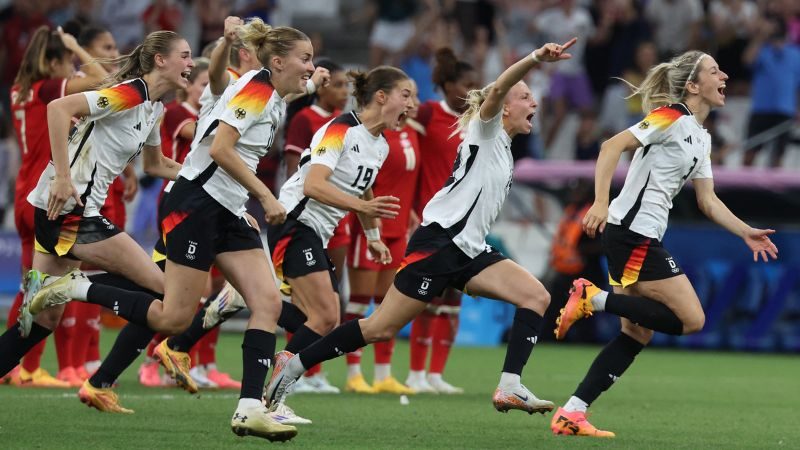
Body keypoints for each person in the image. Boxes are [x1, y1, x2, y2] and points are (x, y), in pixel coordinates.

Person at [26, 19, 323, 441]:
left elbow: (179, 155)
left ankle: (249, 408)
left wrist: (242, 200)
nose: (310, 67)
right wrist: (265, 196)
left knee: (267, 303)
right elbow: (220, 148)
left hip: (226, 208)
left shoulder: (271, 94)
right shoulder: (254, 88)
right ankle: (72, 289)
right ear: (277, 61)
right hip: (196, 208)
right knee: (173, 316)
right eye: (305, 59)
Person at [265, 40, 578, 419]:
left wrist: (373, 232)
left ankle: (510, 386)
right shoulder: (486, 129)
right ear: (504, 106)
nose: (534, 104)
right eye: (526, 97)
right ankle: (295, 365)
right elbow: (496, 90)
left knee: (536, 297)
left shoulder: (505, 148)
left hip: (470, 249)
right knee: (379, 327)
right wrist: (533, 60)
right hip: (440, 243)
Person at [551, 50, 779, 438]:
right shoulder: (670, 115)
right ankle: (593, 298)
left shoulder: (700, 136)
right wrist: (601, 203)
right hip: (633, 232)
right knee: (692, 320)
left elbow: (708, 201)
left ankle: (572, 413)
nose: (724, 75)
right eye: (714, 71)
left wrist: (744, 231)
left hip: (636, 234)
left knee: (637, 333)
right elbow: (610, 146)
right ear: (693, 85)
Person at [0, 29, 188, 408]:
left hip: (66, 210)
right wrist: (64, 177)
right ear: (160, 60)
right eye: (184, 56)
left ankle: (92, 360)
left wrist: (208, 178)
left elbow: (157, 164)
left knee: (42, 323)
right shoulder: (130, 92)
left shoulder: (154, 107)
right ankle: (77, 299)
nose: (190, 62)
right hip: (70, 208)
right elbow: (59, 109)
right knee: (163, 289)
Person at [265, 64, 412, 418]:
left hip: (315, 232)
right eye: (406, 95)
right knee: (326, 314)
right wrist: (363, 206)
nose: (413, 103)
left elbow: (364, 187)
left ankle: (251, 303)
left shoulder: (380, 145)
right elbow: (314, 185)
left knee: (320, 317)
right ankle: (270, 396)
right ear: (381, 96)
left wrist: (373, 235)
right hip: (294, 222)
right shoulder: (340, 129)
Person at [2, 25, 108, 388]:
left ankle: (20, 367)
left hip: (26, 190)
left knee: (31, 283)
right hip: (49, 193)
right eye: (64, 61)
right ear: (50, 61)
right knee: (56, 284)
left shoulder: (21, 90)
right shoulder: (50, 88)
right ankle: (29, 367)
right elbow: (103, 80)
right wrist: (77, 44)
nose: (71, 68)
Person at [405, 47, 478, 394]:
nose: (473, 91)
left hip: (466, 223)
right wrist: (409, 210)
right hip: (431, 220)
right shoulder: (428, 113)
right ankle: (415, 373)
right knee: (427, 298)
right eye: (467, 84)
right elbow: (408, 161)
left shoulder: (477, 123)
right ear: (448, 85)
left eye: (476, 84)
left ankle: (436, 374)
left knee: (453, 301)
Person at [342, 81, 421, 395]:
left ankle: (384, 373)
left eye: (414, 95)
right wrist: (369, 224)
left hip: (399, 228)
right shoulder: (370, 134)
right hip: (370, 225)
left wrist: (412, 211)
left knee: (390, 304)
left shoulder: (412, 132)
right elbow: (363, 182)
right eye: (406, 95)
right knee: (360, 301)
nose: (412, 102)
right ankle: (352, 372)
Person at [282, 58, 349, 394]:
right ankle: (296, 370)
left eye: (347, 86)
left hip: (336, 217)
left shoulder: (349, 127)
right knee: (306, 301)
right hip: (308, 212)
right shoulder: (306, 119)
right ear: (322, 87)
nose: (344, 91)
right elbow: (298, 170)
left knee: (331, 300)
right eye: (338, 84)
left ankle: (314, 370)